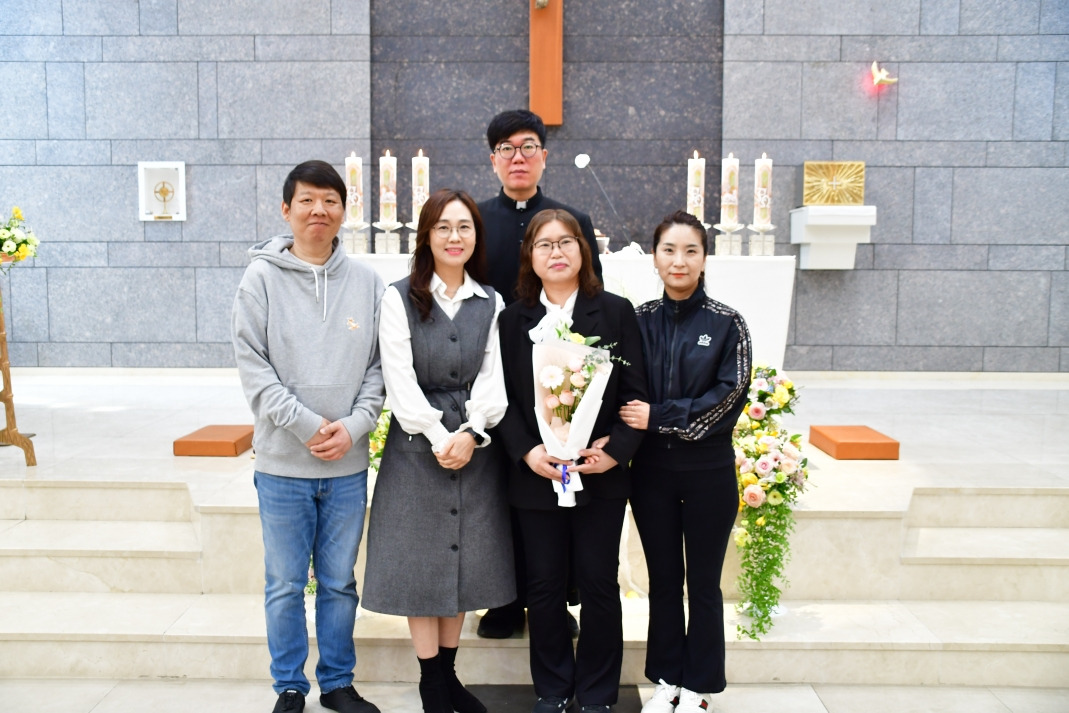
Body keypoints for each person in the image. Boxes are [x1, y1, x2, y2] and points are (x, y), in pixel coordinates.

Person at [232, 160, 385, 713]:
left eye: (330, 200)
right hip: (281, 465)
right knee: (285, 583)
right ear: (286, 209)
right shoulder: (260, 279)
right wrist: (305, 424)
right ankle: (290, 687)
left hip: (346, 466)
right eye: (307, 200)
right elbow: (253, 368)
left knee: (340, 582)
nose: (319, 210)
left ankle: (338, 683)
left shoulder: (367, 283)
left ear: (345, 211)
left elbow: (380, 367)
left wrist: (354, 427)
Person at [362, 189, 515, 713]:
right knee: (422, 563)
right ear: (426, 236)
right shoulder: (398, 297)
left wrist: (472, 432)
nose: (454, 237)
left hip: (475, 447)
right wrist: (437, 435)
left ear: (476, 236)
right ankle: (432, 683)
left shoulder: (491, 301)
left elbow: (494, 378)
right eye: (443, 227)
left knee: (462, 561)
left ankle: (448, 678)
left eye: (464, 227)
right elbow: (399, 379)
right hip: (415, 448)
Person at [496, 208, 648, 713]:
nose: (556, 252)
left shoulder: (616, 312)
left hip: (597, 475)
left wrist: (614, 452)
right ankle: (553, 689)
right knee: (542, 587)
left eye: (566, 242)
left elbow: (635, 394)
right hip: (537, 476)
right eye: (544, 244)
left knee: (600, 583)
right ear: (530, 256)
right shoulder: (512, 320)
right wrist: (528, 450)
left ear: (584, 251)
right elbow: (502, 401)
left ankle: (599, 693)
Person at [619, 211, 752, 713]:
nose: (679, 260)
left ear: (704, 259)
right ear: (655, 258)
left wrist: (659, 416)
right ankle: (666, 680)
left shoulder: (727, 323)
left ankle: (699, 686)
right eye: (669, 250)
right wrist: (647, 422)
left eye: (690, 250)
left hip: (708, 473)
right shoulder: (638, 321)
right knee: (664, 581)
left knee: (704, 583)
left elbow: (728, 398)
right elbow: (623, 391)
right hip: (651, 473)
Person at [477, 108, 600, 640]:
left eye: (528, 147)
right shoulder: (477, 221)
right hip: (498, 372)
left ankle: (554, 599)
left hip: (560, 376)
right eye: (506, 149)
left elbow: (591, 297)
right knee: (504, 490)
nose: (518, 158)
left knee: (557, 490)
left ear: (544, 156)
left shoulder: (571, 221)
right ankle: (507, 600)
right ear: (493, 160)